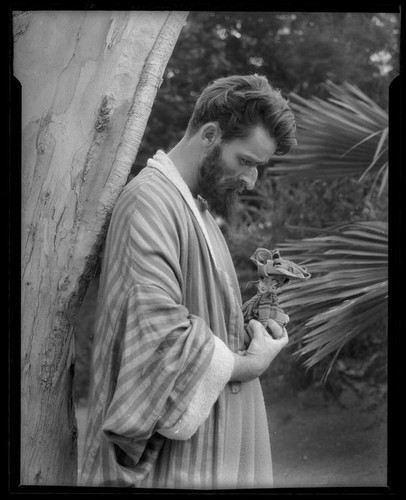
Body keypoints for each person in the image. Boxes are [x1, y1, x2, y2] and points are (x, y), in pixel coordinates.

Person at [80, 74, 297, 489]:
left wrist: (251, 322)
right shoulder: (149, 201)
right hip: (178, 468)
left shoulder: (194, 207)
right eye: (246, 161)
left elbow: (200, 314)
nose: (251, 182)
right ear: (211, 134)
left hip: (214, 450)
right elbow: (157, 330)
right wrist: (251, 362)